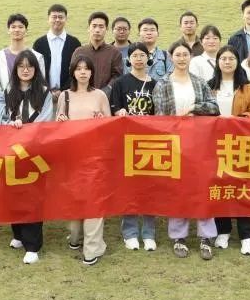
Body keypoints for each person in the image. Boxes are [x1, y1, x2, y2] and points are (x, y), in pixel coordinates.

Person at [153, 40, 218, 259]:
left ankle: (206, 237)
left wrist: (194, 109)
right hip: (174, 145)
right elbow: (159, 116)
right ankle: (178, 236)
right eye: (178, 55)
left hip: (200, 144)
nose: (182, 58)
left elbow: (213, 107)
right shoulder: (162, 84)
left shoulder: (199, 82)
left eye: (185, 55)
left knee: (202, 188)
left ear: (191, 57)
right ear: (171, 57)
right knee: (177, 190)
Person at [0, 50, 54, 264]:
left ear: (36, 69)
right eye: (21, 66)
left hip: (35, 151)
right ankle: (18, 234)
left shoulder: (45, 92)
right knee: (13, 193)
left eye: (30, 66)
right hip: (11, 150)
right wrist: (10, 125)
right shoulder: (8, 90)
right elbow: (0, 117)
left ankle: (32, 245)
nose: (26, 70)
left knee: (32, 197)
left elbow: (45, 119)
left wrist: (25, 131)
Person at [55, 56, 110, 265]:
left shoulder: (100, 95)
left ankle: (92, 248)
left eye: (87, 69)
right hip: (71, 158)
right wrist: (61, 121)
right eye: (79, 68)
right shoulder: (65, 96)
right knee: (75, 201)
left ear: (92, 72)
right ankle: (75, 237)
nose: (83, 72)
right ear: (73, 72)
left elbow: (110, 126)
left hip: (95, 158)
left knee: (94, 201)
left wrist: (101, 121)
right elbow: (57, 127)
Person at [208, 45, 250, 255]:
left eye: (231, 58)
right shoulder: (209, 86)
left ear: (237, 62)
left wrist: (235, 120)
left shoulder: (247, 88)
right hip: (214, 145)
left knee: (242, 188)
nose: (227, 62)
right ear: (218, 62)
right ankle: (223, 230)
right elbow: (202, 112)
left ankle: (247, 235)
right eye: (223, 58)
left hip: (240, 144)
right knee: (219, 187)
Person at [109, 42, 159, 252]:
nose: (138, 59)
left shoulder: (155, 84)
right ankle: (129, 232)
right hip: (127, 143)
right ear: (129, 59)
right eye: (135, 55)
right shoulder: (120, 83)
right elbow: (114, 108)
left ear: (148, 58)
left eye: (142, 55)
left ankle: (148, 232)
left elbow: (160, 113)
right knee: (129, 188)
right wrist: (119, 112)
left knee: (149, 188)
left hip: (151, 144)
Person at [0, 13, 46, 100]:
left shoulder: (37, 57)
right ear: (8, 30)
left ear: (26, 31)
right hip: (6, 104)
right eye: (13, 27)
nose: (17, 30)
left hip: (31, 104)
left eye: (20, 27)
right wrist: (2, 106)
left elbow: (40, 84)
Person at [32, 4, 81, 95]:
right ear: (48, 19)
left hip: (69, 93)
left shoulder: (74, 43)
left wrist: (63, 90)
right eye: (54, 17)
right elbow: (36, 70)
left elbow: (77, 69)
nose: (57, 20)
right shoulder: (39, 44)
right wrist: (47, 91)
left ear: (66, 19)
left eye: (60, 17)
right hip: (44, 94)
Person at [70, 11, 123, 93]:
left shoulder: (114, 52)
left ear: (106, 29)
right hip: (83, 95)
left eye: (101, 27)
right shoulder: (79, 52)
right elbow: (72, 74)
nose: (97, 30)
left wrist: (107, 90)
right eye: (94, 26)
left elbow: (117, 76)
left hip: (107, 96)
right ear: (88, 28)